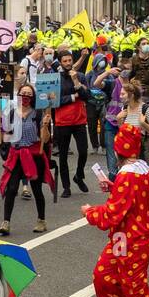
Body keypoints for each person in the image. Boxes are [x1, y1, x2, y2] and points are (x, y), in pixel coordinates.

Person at [83, 123, 149, 297]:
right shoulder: (142, 168)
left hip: (134, 240)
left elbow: (110, 215)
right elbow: (130, 199)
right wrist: (113, 186)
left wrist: (89, 212)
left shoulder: (129, 175)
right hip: (124, 239)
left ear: (117, 150)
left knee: (135, 287)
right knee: (103, 275)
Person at [0, 82, 52, 236]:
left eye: (28, 94)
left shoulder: (39, 114)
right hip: (16, 155)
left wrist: (46, 126)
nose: (25, 97)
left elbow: (45, 140)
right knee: (12, 188)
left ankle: (41, 220)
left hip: (33, 155)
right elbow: (5, 135)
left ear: (33, 97)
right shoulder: (12, 113)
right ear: (18, 96)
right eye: (22, 94)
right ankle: (6, 222)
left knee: (36, 189)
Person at [52, 49, 92, 198]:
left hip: (79, 120)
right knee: (63, 156)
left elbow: (87, 96)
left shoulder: (80, 76)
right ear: (60, 63)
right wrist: (73, 97)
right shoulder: (56, 78)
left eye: (70, 60)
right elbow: (54, 100)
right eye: (65, 61)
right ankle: (66, 186)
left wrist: (76, 82)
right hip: (62, 122)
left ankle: (79, 176)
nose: (68, 63)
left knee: (83, 151)